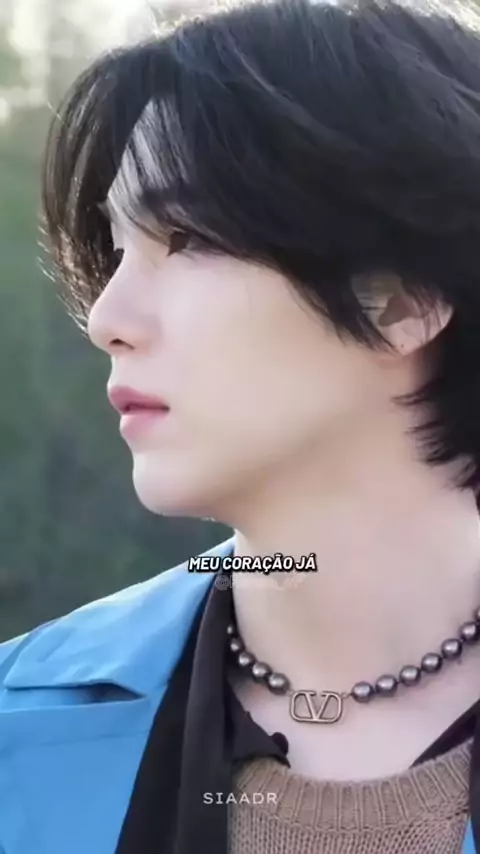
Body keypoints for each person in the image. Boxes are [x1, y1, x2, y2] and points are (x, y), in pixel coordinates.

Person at [2, 0, 480, 850]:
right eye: (116, 249)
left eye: (187, 237)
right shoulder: (20, 732)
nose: (106, 319)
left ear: (407, 299)